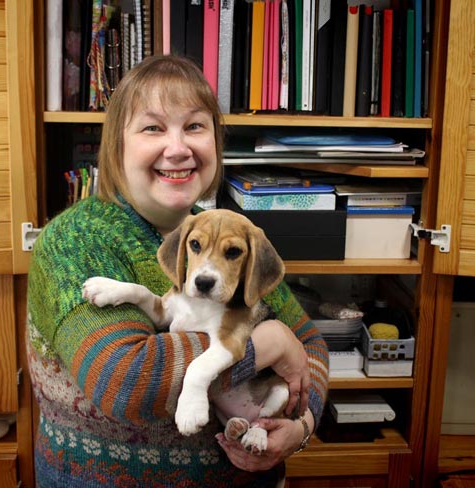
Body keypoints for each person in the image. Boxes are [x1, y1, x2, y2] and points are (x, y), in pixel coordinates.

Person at [27, 54, 329, 487]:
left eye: (194, 126)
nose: (178, 148)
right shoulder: (74, 240)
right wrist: (266, 343)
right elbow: (125, 381)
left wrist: (298, 430)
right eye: (152, 127)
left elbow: (312, 348)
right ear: (116, 145)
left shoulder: (227, 233)